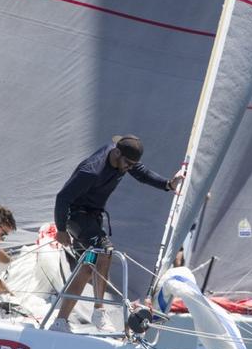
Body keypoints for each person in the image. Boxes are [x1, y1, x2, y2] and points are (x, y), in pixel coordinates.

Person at [50, 135, 183, 332]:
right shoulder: (91, 170)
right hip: (76, 216)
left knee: (87, 268)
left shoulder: (124, 159)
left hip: (93, 217)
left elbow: (142, 173)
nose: (129, 168)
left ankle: (59, 322)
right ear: (116, 152)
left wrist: (168, 184)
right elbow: (62, 198)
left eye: (132, 164)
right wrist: (61, 230)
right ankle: (99, 311)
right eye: (128, 164)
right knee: (106, 250)